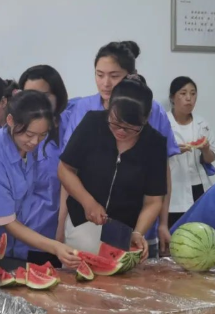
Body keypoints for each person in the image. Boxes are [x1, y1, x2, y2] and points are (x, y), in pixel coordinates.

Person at [59, 41, 179, 255]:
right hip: (82, 223)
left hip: (125, 229)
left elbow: (154, 199)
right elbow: (65, 169)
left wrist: (139, 232)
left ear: (146, 119)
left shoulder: (154, 143)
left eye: (130, 128)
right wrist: (88, 203)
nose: (121, 132)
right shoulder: (91, 121)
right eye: (115, 123)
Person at [0, 91, 80, 269]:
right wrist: (55, 247)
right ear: (11, 120)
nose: (35, 141)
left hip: (6, 247)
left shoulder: (26, 148)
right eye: (29, 134)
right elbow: (8, 222)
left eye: (42, 135)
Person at [18, 65, 70, 263]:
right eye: (30, 95)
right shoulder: (12, 133)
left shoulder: (69, 129)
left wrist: (60, 231)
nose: (37, 102)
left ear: (58, 96)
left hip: (53, 235)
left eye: (44, 96)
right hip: (15, 234)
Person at [164, 77, 215, 229]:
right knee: (174, 233)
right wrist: (172, 150)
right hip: (173, 189)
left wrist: (206, 149)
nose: (189, 98)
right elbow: (150, 156)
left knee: (199, 233)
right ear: (172, 98)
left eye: (193, 94)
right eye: (183, 93)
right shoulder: (163, 122)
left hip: (199, 186)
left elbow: (210, 159)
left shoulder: (202, 123)